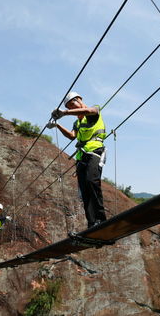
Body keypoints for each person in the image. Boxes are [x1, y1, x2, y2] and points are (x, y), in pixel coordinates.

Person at [48, 92, 107, 228]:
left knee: (92, 181)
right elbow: (71, 136)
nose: (72, 109)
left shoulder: (94, 111)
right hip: (81, 158)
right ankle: (92, 223)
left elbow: (88, 110)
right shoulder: (77, 122)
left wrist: (64, 112)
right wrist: (57, 126)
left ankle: (101, 218)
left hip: (94, 152)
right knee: (84, 190)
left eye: (72, 105)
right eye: (69, 106)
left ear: (79, 100)